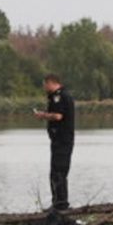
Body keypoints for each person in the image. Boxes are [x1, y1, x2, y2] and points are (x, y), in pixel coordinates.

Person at [32, 73, 76, 216]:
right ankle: (57, 203)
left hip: (63, 140)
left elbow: (58, 116)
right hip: (59, 140)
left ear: (51, 83)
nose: (44, 87)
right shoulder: (60, 95)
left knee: (59, 172)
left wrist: (42, 115)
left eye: (45, 84)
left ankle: (61, 205)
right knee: (55, 172)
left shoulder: (60, 96)